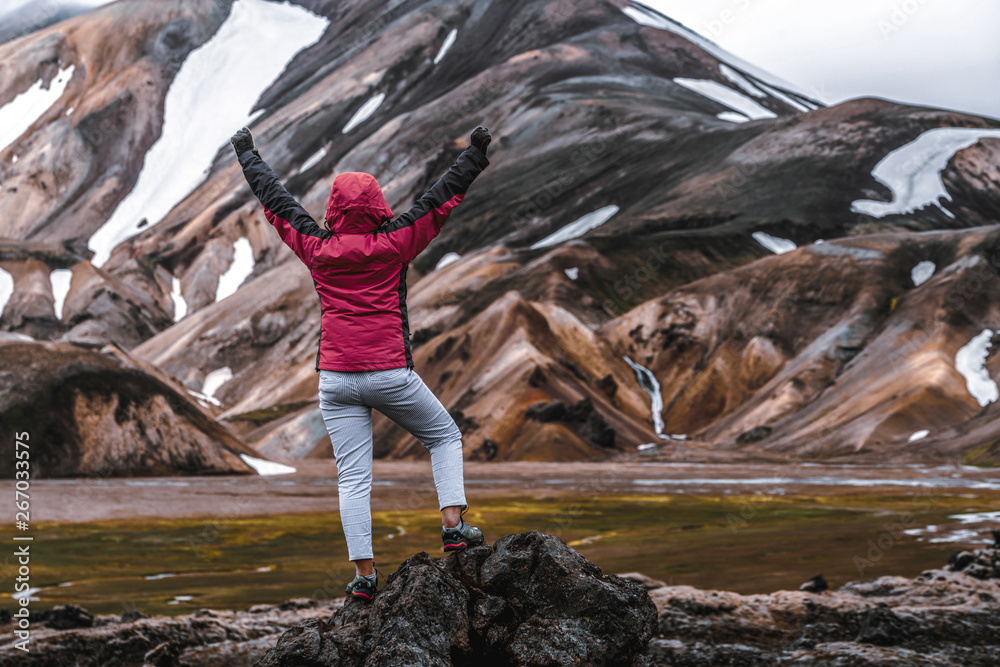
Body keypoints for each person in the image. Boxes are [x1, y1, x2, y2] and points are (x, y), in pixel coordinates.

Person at [230, 124, 492, 600]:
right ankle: (453, 525)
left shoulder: (317, 248)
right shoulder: (396, 242)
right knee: (444, 435)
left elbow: (278, 202)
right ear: (378, 205)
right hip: (389, 371)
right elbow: (441, 197)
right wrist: (475, 153)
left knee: (353, 478)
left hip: (334, 378)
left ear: (332, 207)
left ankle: (364, 577)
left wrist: (248, 155)